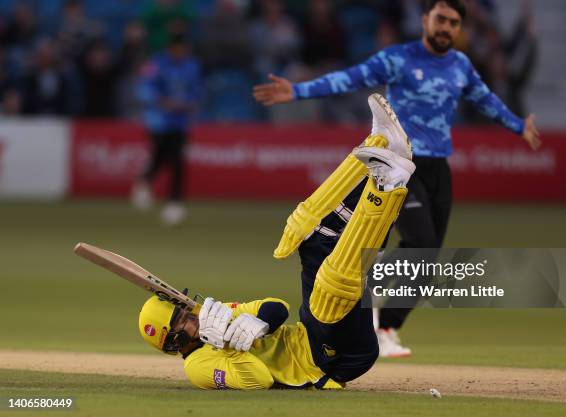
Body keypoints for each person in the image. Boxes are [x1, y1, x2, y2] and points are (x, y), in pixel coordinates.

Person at [253, 0, 541, 357]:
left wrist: (518, 126)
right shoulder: (399, 58)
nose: (446, 28)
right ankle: (367, 290)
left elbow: (485, 101)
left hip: (439, 168)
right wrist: (297, 91)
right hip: (403, 164)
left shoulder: (461, 65)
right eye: (440, 19)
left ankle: (386, 326)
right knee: (420, 243)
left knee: (428, 256)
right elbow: (350, 78)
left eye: (453, 23)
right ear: (425, 20)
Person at [137, 94, 415, 389]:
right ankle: (387, 187)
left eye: (183, 308)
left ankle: (381, 142)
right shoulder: (198, 367)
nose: (191, 313)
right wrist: (231, 345)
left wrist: (255, 324)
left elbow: (277, 307)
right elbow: (258, 380)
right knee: (330, 287)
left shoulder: (214, 317)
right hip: (331, 360)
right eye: (183, 319)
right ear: (174, 341)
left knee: (305, 232)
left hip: (311, 333)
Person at [132, 32, 202, 226]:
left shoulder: (191, 66)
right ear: (170, 49)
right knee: (160, 156)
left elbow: (195, 91)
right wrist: (162, 101)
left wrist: (189, 104)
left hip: (179, 122)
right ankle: (145, 181)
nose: (180, 53)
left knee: (177, 160)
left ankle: (175, 202)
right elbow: (144, 89)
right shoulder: (157, 64)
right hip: (159, 121)